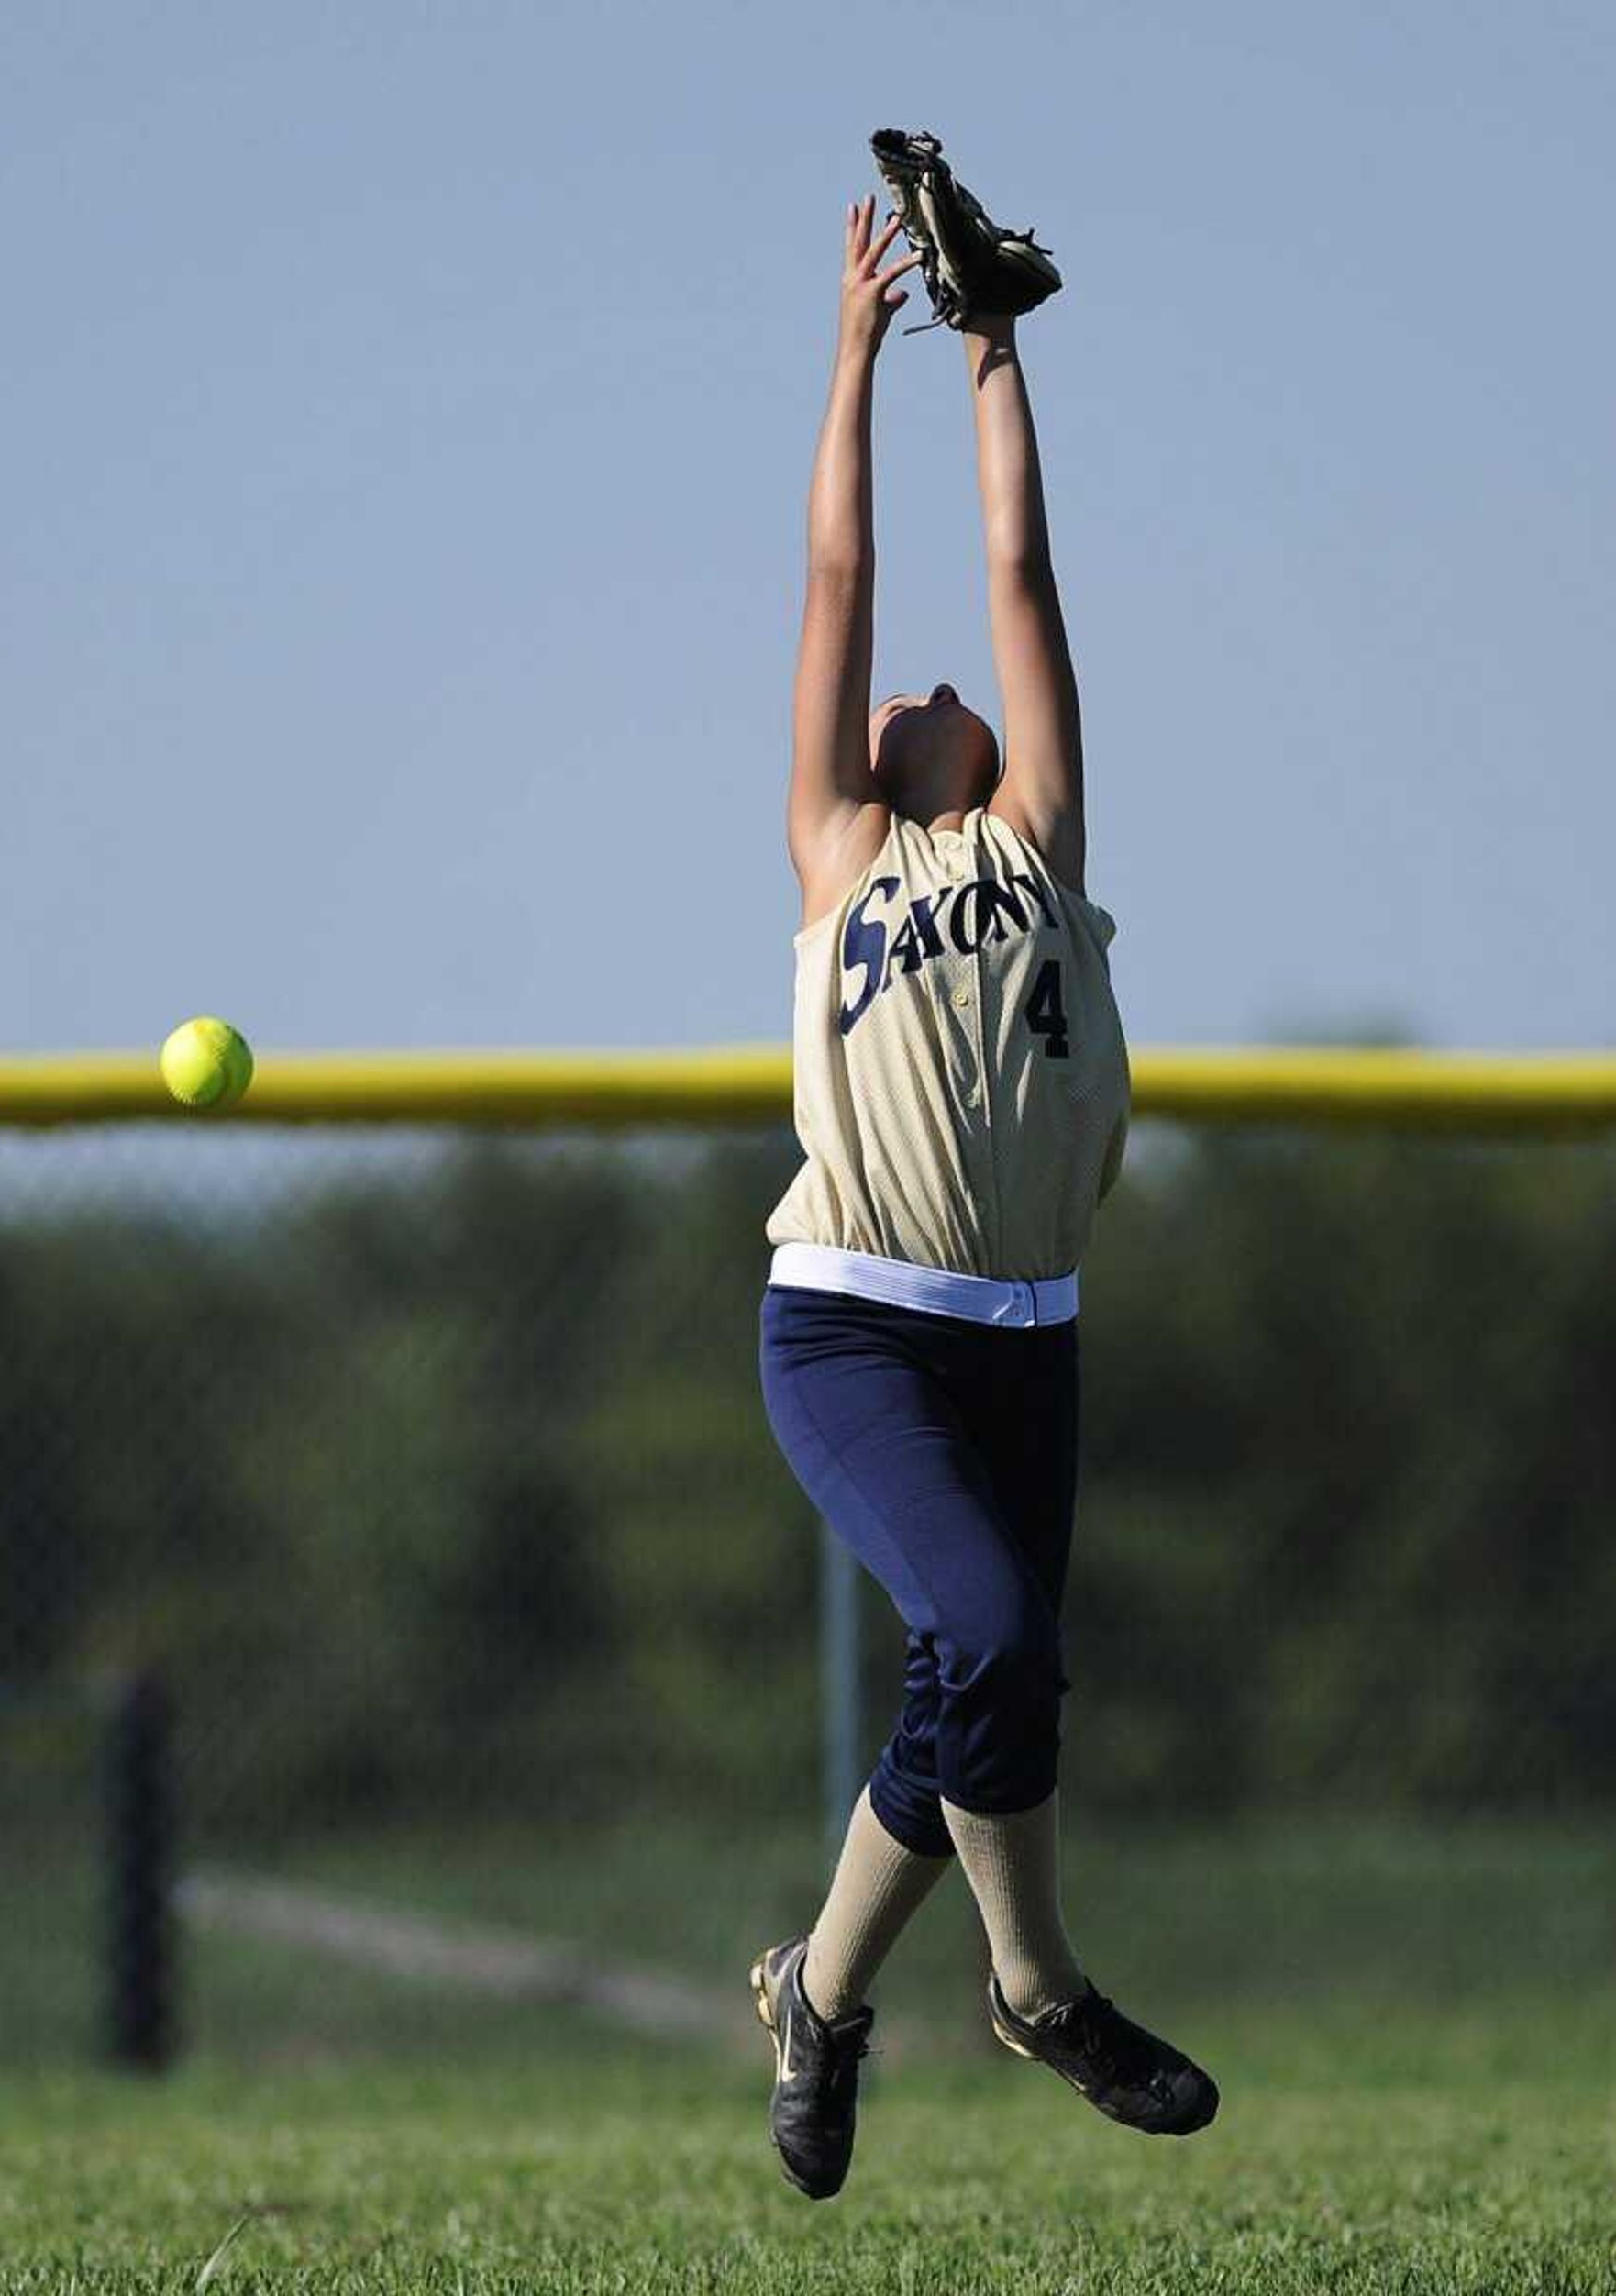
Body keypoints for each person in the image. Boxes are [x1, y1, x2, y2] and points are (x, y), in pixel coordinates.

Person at [749, 192, 1218, 2202]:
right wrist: (851, 350)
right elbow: (843, 561)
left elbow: (1013, 556)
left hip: (1029, 1333)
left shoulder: (1036, 829)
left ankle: (819, 1994)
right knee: (990, 1627)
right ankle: (1030, 1984)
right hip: (853, 1321)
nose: (913, 674)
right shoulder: (839, 847)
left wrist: (988, 338)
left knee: (996, 1668)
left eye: (944, 684)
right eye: (886, 690)